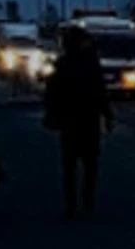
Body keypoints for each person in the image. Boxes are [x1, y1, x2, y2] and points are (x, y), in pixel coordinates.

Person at [42, 26, 114, 218]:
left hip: (70, 122)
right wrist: (107, 116)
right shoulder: (91, 64)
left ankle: (71, 204)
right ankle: (87, 201)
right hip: (88, 120)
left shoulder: (63, 64)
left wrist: (51, 115)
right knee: (90, 164)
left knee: (69, 166)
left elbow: (51, 93)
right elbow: (100, 92)